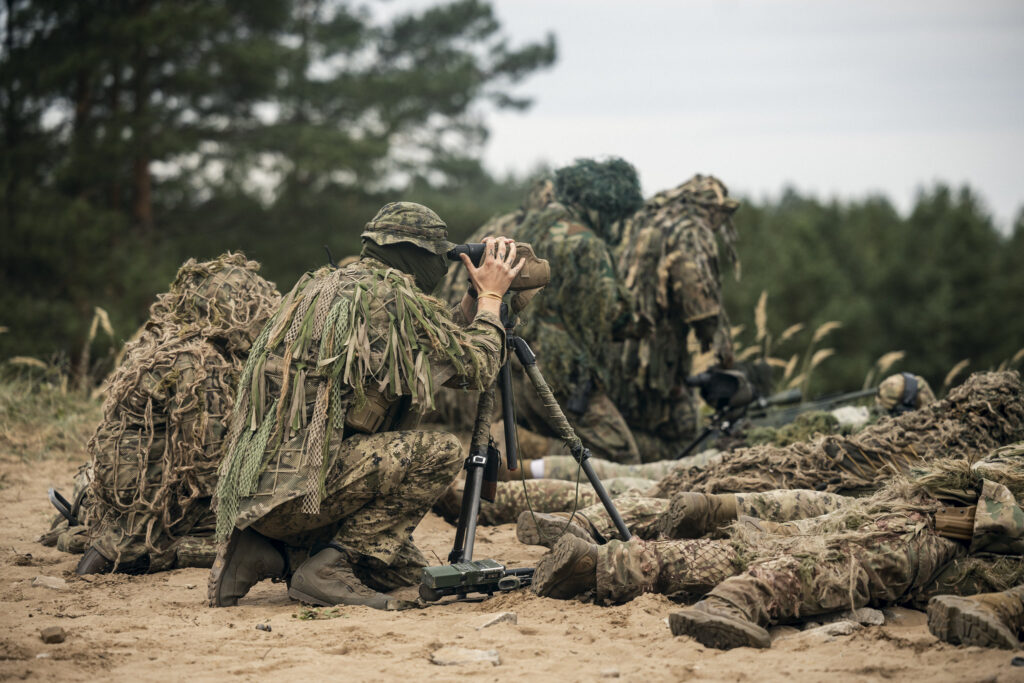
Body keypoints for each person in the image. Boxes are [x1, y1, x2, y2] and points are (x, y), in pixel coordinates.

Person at [209, 202, 523, 610]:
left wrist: (474, 298)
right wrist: (493, 298)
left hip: (259, 499)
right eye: (439, 256)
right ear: (416, 256)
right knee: (440, 452)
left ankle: (267, 551)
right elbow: (476, 368)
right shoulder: (393, 299)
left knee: (401, 571)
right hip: (302, 496)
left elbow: (437, 345)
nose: (443, 267)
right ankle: (326, 570)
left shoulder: (323, 288)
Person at [529, 438, 1024, 651]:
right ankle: (738, 597)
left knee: (792, 540)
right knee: (850, 557)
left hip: (958, 530)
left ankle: (607, 561)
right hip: (960, 523)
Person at [63, 253, 281, 574]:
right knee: (268, 535)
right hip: (155, 511)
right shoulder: (205, 365)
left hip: (128, 499)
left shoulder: (163, 345)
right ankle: (165, 555)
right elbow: (209, 477)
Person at [610, 175, 739, 461]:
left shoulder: (646, 221)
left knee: (630, 422)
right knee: (681, 438)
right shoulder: (689, 232)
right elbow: (700, 307)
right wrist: (717, 342)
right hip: (656, 362)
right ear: (710, 209)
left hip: (619, 350)